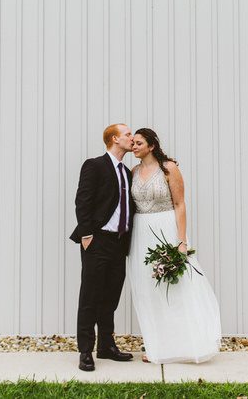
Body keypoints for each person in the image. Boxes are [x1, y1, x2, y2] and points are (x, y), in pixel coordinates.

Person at [128, 128, 221, 364]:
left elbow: (180, 204)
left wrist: (181, 241)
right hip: (141, 232)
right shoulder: (134, 172)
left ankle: (187, 343)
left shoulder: (169, 168)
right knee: (148, 289)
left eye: (139, 143)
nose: (134, 146)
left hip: (166, 229)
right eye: (133, 143)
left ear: (151, 146)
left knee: (176, 287)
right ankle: (157, 345)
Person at [69, 123, 137, 372]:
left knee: (111, 296)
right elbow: (82, 201)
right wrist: (87, 234)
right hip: (97, 241)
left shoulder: (127, 173)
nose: (132, 137)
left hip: (119, 243)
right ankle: (86, 350)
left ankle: (106, 346)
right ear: (115, 138)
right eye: (128, 134)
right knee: (90, 296)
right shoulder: (94, 165)